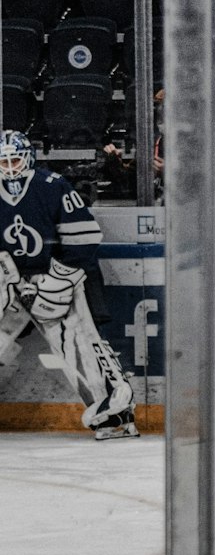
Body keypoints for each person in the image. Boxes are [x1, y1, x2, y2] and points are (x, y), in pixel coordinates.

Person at [0, 130, 138, 440]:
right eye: (3, 161)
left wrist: (57, 280)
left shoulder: (51, 186)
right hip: (14, 281)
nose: (9, 167)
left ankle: (112, 411)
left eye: (14, 159)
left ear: (28, 158)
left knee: (76, 343)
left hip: (60, 276)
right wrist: (9, 277)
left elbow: (85, 238)